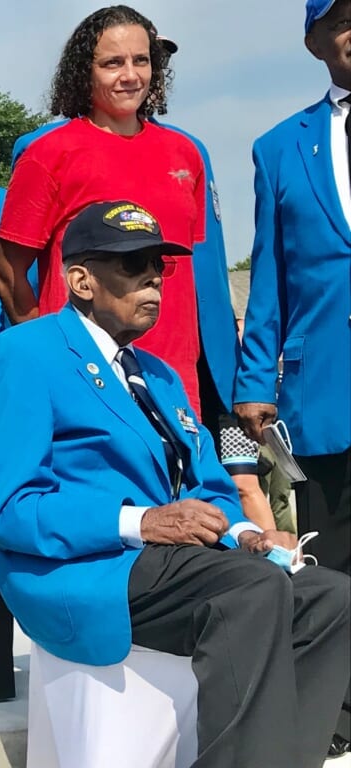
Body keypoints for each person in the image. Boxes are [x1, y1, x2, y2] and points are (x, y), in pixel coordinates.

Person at [0, 200, 351, 768]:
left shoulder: (160, 375)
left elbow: (210, 482)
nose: (153, 277)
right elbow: (12, 509)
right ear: (80, 279)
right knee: (250, 592)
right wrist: (140, 521)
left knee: (331, 596)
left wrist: (248, 533)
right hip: (89, 565)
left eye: (160, 265)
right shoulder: (22, 355)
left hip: (179, 562)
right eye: (132, 265)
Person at [0, 6, 238, 423]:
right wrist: (54, 355)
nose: (130, 75)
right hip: (85, 387)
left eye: (140, 60)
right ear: (83, 71)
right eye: (112, 63)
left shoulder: (187, 154)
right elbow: (8, 273)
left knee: (180, 492)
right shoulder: (48, 153)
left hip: (174, 386)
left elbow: (190, 280)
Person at [235, 0, 351, 755]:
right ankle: (338, 714)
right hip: (324, 389)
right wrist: (252, 377)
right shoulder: (281, 147)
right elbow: (268, 272)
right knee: (334, 555)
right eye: (340, 14)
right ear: (315, 40)